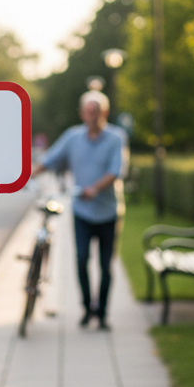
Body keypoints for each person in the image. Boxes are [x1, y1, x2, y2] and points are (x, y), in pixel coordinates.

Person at [33, 91, 128, 330]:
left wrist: (95, 188)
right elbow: (50, 159)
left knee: (106, 266)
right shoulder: (73, 137)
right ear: (82, 113)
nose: (92, 116)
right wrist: (25, 175)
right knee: (82, 259)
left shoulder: (116, 137)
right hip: (82, 212)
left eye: (96, 112)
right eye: (88, 111)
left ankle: (103, 313)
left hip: (108, 211)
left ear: (104, 113)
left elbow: (116, 170)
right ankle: (87, 308)